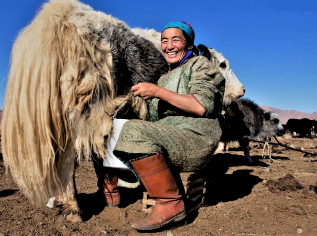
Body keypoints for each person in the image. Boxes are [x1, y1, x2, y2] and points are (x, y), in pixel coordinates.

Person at [96, 21, 225, 231]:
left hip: (195, 136)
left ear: (189, 45)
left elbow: (201, 106)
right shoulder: (164, 77)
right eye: (164, 41)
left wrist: (157, 92)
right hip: (171, 136)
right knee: (113, 128)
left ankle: (171, 203)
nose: (169, 45)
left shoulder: (200, 65)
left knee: (134, 131)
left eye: (176, 39)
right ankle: (116, 186)